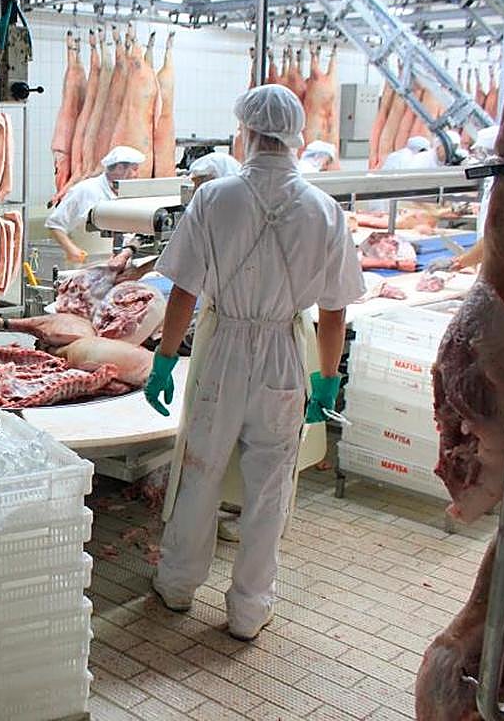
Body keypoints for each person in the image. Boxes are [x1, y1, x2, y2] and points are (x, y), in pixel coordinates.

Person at [143, 84, 365, 642]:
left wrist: (165, 359)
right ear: (294, 135)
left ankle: (176, 584)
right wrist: (327, 376)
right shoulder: (324, 210)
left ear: (246, 131)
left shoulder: (215, 197)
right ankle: (248, 609)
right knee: (270, 485)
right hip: (284, 355)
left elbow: (184, 292)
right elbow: (334, 308)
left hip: (221, 349)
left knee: (201, 469)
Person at [45, 146, 146, 264]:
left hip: (122, 262)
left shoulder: (130, 192)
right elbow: (54, 224)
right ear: (119, 168)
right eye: (134, 169)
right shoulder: (85, 190)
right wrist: (71, 250)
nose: (136, 175)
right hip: (87, 264)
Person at [451, 125, 502, 271]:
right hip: (493, 260)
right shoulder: (497, 175)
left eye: (482, 152)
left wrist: (462, 262)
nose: (479, 156)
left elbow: (500, 232)